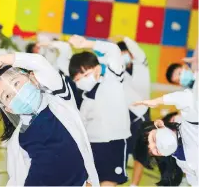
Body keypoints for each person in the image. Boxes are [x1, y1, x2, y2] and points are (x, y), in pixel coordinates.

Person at [0, 52, 99, 186]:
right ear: (8, 109)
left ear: (33, 78)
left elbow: (41, 64)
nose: (17, 94)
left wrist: (5, 58)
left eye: (16, 83)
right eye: (7, 96)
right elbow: (17, 180)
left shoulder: (60, 100)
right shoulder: (17, 140)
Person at [68, 35, 130, 186]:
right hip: (92, 145)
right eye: (77, 79)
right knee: (89, 181)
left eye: (86, 74)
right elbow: (80, 126)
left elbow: (114, 50)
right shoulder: (85, 100)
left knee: (109, 181)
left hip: (113, 142)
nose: (82, 80)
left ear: (97, 69)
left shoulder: (112, 81)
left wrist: (86, 43)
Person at [134, 88, 198, 186]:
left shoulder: (190, 125)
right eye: (153, 151)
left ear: (159, 124)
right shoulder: (182, 163)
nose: (156, 149)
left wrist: (158, 101)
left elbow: (187, 98)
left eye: (154, 139)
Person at [116, 36, 151, 187]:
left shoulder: (141, 64)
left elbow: (135, 48)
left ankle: (134, 184)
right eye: (120, 53)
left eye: (125, 52)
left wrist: (121, 38)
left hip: (141, 113)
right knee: (120, 150)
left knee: (140, 153)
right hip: (124, 114)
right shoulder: (118, 70)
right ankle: (115, 181)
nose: (123, 56)